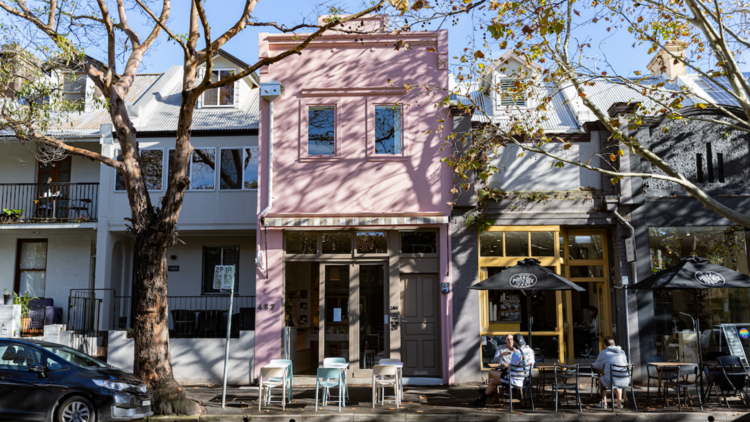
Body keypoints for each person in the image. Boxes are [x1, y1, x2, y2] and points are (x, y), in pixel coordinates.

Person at [473, 334, 535, 406]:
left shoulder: (517, 352)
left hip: (514, 380)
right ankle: (482, 400)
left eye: (512, 339)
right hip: (526, 380)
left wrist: (507, 368)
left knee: (490, 372)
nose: (510, 341)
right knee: (492, 381)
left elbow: (510, 368)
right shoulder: (531, 351)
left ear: (515, 342)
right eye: (508, 339)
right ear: (524, 340)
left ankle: (488, 395)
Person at [593, 336, 630, 409]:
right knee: (617, 378)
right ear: (614, 344)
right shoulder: (622, 352)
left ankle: (604, 403)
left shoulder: (604, 352)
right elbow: (626, 363)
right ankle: (619, 403)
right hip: (625, 380)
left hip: (612, 380)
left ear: (605, 345)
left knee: (601, 380)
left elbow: (596, 366)